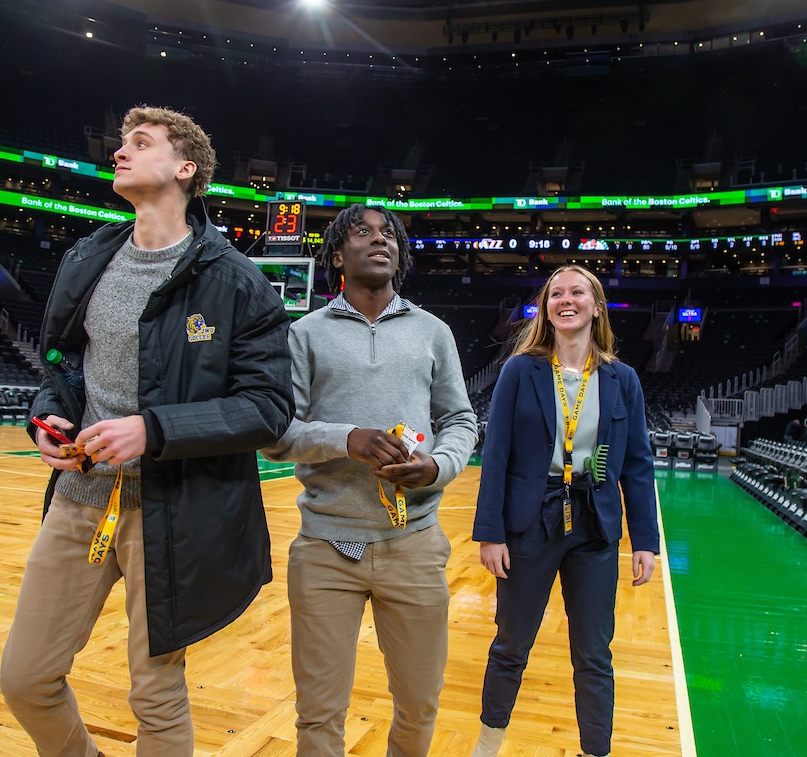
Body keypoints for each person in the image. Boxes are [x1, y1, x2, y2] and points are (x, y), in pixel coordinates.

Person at [0, 106, 294, 757]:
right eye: (121, 143)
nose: (119, 152)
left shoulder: (238, 282)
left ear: (186, 168)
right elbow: (60, 363)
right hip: (79, 501)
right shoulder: (88, 258)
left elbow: (269, 406)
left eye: (140, 143)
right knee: (24, 679)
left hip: (173, 512)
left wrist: (153, 429)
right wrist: (48, 416)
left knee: (155, 697)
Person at [261, 203, 478, 757]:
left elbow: (460, 421)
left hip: (414, 543)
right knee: (318, 714)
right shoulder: (304, 333)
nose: (379, 240)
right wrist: (346, 438)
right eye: (363, 232)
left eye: (389, 234)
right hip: (326, 547)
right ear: (338, 255)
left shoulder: (433, 332)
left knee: (420, 704)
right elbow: (277, 433)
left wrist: (437, 467)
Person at [470, 265, 659, 757]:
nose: (566, 300)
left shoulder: (623, 380)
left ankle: (595, 751)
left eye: (577, 292)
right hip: (530, 524)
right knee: (510, 646)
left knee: (594, 655)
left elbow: (637, 465)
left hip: (594, 527)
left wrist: (645, 541)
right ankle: (487, 747)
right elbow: (497, 454)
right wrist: (490, 533)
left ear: (596, 306)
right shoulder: (519, 369)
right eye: (556, 293)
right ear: (546, 307)